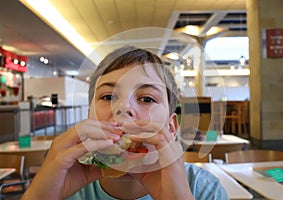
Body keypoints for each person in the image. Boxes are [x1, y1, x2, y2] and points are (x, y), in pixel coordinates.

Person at [21, 46, 228, 200]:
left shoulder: (204, 190)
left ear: (171, 127)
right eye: (108, 97)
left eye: (147, 98)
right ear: (89, 118)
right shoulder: (61, 187)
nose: (124, 109)